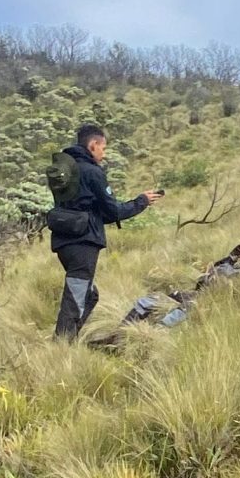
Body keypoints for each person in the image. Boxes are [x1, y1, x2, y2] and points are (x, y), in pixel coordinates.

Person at [46, 122, 162, 339]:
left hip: (63, 242)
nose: (104, 154)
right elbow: (113, 210)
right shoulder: (92, 172)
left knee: (89, 295)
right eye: (103, 148)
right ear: (93, 145)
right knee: (75, 298)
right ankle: (60, 348)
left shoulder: (64, 171)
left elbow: (94, 210)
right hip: (83, 243)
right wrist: (141, 202)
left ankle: (68, 340)